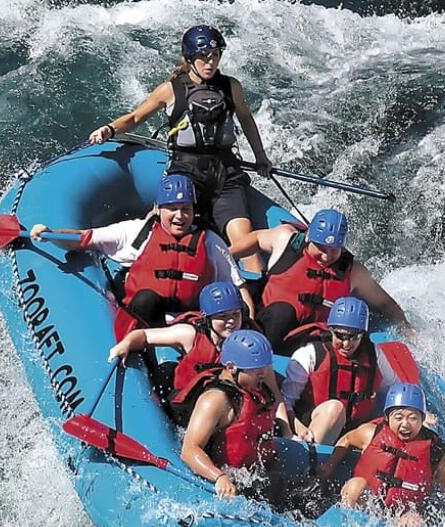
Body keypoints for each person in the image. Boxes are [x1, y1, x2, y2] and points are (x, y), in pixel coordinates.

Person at [86, 25, 274, 272]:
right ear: (190, 59)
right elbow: (135, 118)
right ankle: (137, 273)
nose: (210, 62)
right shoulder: (171, 89)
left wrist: (261, 157)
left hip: (226, 174)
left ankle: (251, 295)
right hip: (186, 173)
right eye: (204, 57)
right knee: (159, 230)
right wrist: (108, 130)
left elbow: (246, 119)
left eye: (215, 55)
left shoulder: (231, 86)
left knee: (245, 239)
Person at [29, 174, 255, 325]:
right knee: (147, 298)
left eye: (185, 209)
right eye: (172, 209)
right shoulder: (136, 232)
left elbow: (239, 287)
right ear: (158, 208)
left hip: (189, 322)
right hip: (142, 320)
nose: (180, 216)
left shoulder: (210, 241)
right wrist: (50, 234)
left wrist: (249, 323)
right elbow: (84, 239)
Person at [256, 208, 409, 353]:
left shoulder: (355, 272)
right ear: (309, 238)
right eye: (321, 248)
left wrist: (406, 328)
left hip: (310, 337)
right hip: (268, 324)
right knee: (282, 315)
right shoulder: (286, 240)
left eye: (334, 249)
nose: (326, 256)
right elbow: (254, 239)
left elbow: (386, 303)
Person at [334, 383, 445, 527]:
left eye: (413, 418)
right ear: (387, 417)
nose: (405, 424)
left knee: (414, 522)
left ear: (422, 419)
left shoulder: (434, 453)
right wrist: (326, 470)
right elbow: (346, 440)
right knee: (354, 486)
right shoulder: (371, 432)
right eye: (398, 417)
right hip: (368, 502)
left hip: (401, 514)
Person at [174, 330, 295, 498]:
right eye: (256, 370)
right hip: (227, 477)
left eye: (264, 368)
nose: (263, 374)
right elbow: (189, 450)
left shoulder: (255, 388)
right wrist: (219, 477)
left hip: (254, 476)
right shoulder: (215, 400)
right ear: (231, 367)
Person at [107, 281, 252, 416]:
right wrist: (126, 344)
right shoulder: (190, 334)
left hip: (224, 405)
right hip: (187, 403)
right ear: (207, 318)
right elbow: (145, 335)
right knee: (165, 372)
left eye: (235, 314)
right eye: (223, 316)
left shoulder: (249, 343)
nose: (231, 321)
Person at [280, 296, 392, 446]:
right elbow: (285, 400)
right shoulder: (309, 354)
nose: (346, 344)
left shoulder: (375, 355)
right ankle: (312, 463)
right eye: (340, 336)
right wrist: (295, 425)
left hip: (353, 432)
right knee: (335, 409)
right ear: (331, 330)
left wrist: (412, 411)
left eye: (354, 337)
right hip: (314, 427)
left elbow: (393, 389)